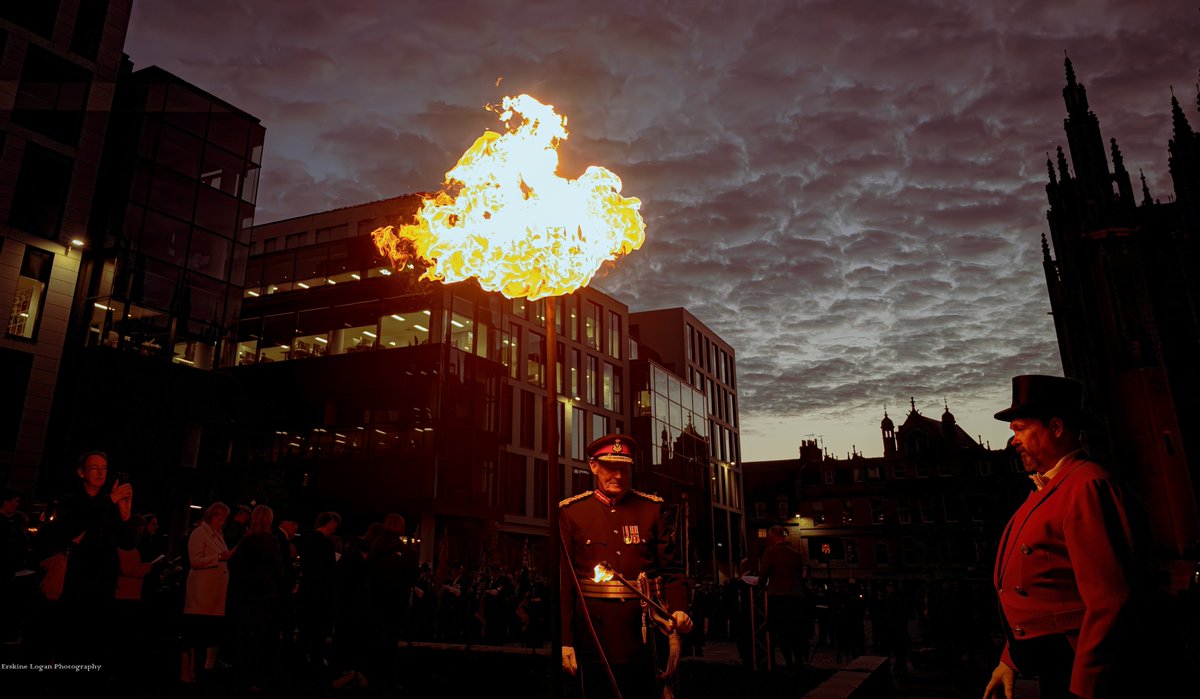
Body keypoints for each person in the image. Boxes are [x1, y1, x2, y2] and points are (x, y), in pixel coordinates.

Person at [983, 375, 1149, 699]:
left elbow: (1109, 601)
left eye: (1019, 428)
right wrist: (1012, 658)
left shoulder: (1087, 486)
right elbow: (1048, 590)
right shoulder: (1048, 489)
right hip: (1052, 666)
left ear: (1056, 427)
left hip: (1077, 670)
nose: (1013, 440)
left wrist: (1085, 687)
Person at [560, 434, 694, 699]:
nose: (618, 476)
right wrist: (566, 641)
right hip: (593, 634)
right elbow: (566, 584)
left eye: (623, 469)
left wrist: (679, 609)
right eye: (611, 468)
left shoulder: (651, 510)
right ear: (593, 466)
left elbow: (672, 571)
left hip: (644, 635)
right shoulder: (572, 513)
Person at [56, 450, 134, 664]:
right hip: (77, 579)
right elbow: (77, 525)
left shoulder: (109, 501)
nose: (100, 473)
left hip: (105, 581)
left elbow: (127, 543)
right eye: (94, 468)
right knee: (73, 638)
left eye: (104, 468)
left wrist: (126, 516)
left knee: (98, 641)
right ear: (81, 472)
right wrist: (110, 500)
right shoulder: (71, 500)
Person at [181, 502, 233, 685]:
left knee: (203, 637)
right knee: (193, 636)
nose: (222, 522)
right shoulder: (199, 533)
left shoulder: (218, 535)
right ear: (212, 516)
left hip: (213, 596)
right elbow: (195, 560)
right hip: (201, 596)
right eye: (220, 518)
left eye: (224, 519)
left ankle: (197, 671)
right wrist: (219, 558)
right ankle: (187, 672)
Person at [759, 524, 808, 669]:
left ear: (773, 536)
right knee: (794, 631)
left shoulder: (770, 553)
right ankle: (798, 660)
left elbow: (763, 576)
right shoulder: (796, 554)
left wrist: (762, 586)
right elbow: (800, 576)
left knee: (779, 631)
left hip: (778, 596)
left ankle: (785, 661)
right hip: (795, 596)